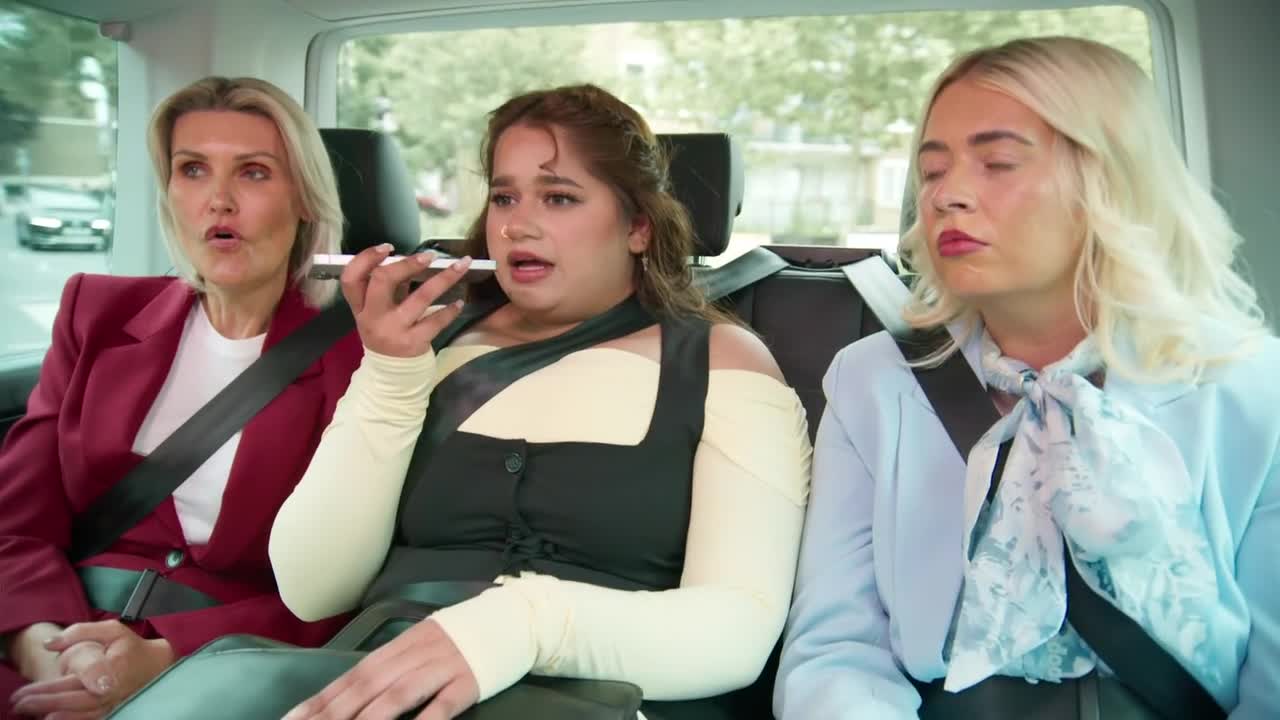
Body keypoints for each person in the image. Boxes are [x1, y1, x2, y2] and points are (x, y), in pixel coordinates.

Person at [257, 83, 812, 719]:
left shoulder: (722, 362)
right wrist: (390, 376)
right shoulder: (423, 346)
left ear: (637, 226)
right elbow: (311, 587)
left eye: (559, 197)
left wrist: (522, 625)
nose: (516, 224)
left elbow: (737, 632)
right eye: (504, 197)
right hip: (380, 690)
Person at [774, 36, 1279, 719]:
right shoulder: (873, 380)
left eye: (999, 163)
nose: (947, 196)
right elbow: (836, 648)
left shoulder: (1251, 389)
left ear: (1111, 182)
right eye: (932, 171)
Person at [1, 76, 362, 719]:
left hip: (229, 663)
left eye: (253, 173)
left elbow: (354, 587)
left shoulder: (362, 358)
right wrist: (44, 649)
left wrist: (172, 656)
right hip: (52, 636)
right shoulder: (96, 312)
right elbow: (17, 525)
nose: (218, 200)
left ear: (305, 198)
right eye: (192, 169)